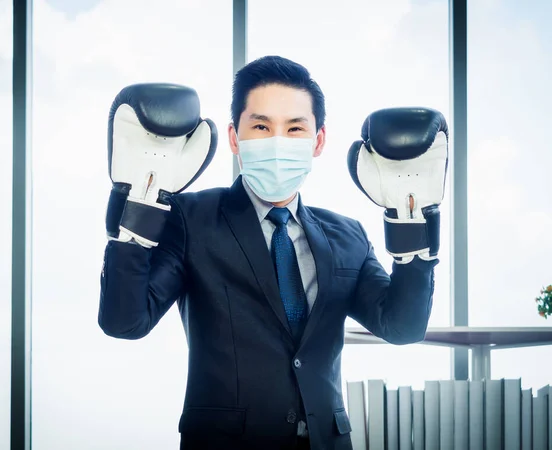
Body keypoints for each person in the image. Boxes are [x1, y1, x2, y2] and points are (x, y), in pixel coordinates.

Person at [99, 55, 448, 450]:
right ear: (234, 137)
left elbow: (402, 328)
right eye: (261, 126)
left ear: (318, 141)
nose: (278, 140)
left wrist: (412, 229)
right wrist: (135, 218)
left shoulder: (348, 235)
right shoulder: (190, 219)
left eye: (295, 127)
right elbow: (124, 322)